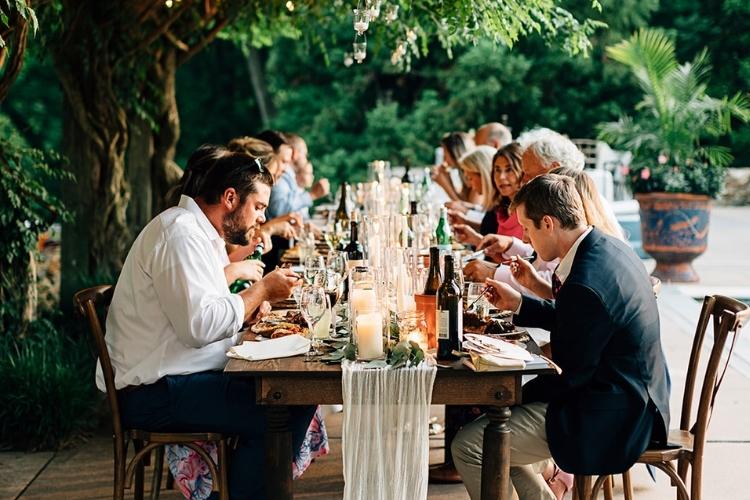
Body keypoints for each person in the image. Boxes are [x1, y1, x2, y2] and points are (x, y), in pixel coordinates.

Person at [100, 145, 316, 499]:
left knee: (293, 393)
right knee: (283, 406)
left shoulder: (198, 232)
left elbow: (206, 312)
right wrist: (259, 292)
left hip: (176, 375)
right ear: (230, 197)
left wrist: (245, 313)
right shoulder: (179, 235)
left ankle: (237, 489)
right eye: (259, 207)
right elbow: (198, 326)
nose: (262, 218)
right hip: (153, 392)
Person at [451, 174, 671, 500]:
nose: (525, 237)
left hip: (612, 413)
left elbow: (569, 374)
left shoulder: (585, 281)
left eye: (527, 228)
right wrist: (520, 303)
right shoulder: (605, 247)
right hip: (634, 393)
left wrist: (508, 393)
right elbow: (580, 324)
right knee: (494, 433)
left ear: (549, 223)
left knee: (473, 444)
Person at [453, 143, 524, 248]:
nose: (501, 177)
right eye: (497, 170)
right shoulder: (502, 209)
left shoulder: (528, 211)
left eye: (509, 169)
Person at [431, 131, 478, 204]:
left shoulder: (476, 174)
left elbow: (468, 211)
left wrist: (445, 184)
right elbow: (463, 200)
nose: (444, 159)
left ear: (456, 153)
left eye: (445, 153)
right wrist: (448, 179)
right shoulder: (463, 172)